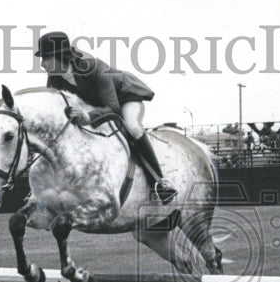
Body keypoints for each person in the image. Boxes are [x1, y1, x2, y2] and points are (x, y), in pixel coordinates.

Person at [35, 31, 176, 203]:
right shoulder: (54, 80)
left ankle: (161, 183)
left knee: (132, 126)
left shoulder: (95, 68)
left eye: (46, 58)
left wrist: (87, 116)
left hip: (124, 97)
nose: (42, 64)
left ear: (60, 56)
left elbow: (113, 108)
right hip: (97, 106)